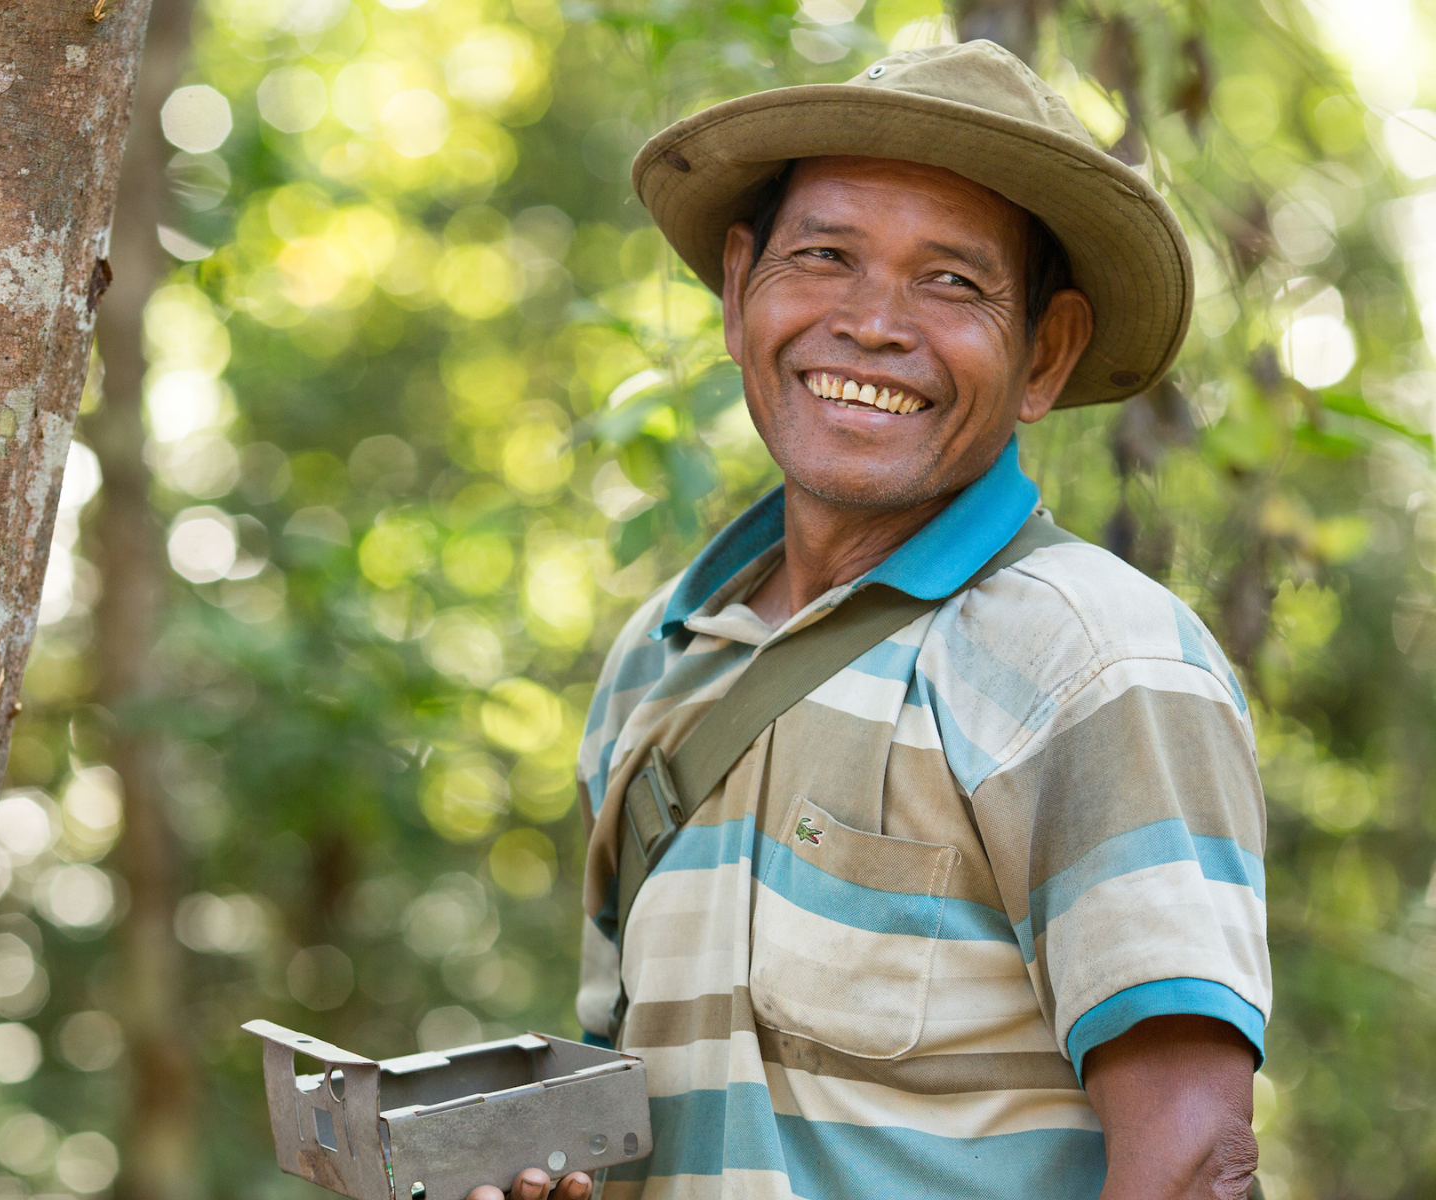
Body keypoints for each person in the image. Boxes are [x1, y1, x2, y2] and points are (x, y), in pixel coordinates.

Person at [473, 39, 1267, 1200]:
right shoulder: (661, 659)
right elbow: (637, 1104)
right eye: (826, 256)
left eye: (952, 282)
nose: (875, 323)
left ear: (1043, 354)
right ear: (742, 287)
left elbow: (1196, 1160)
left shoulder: (1094, 660)